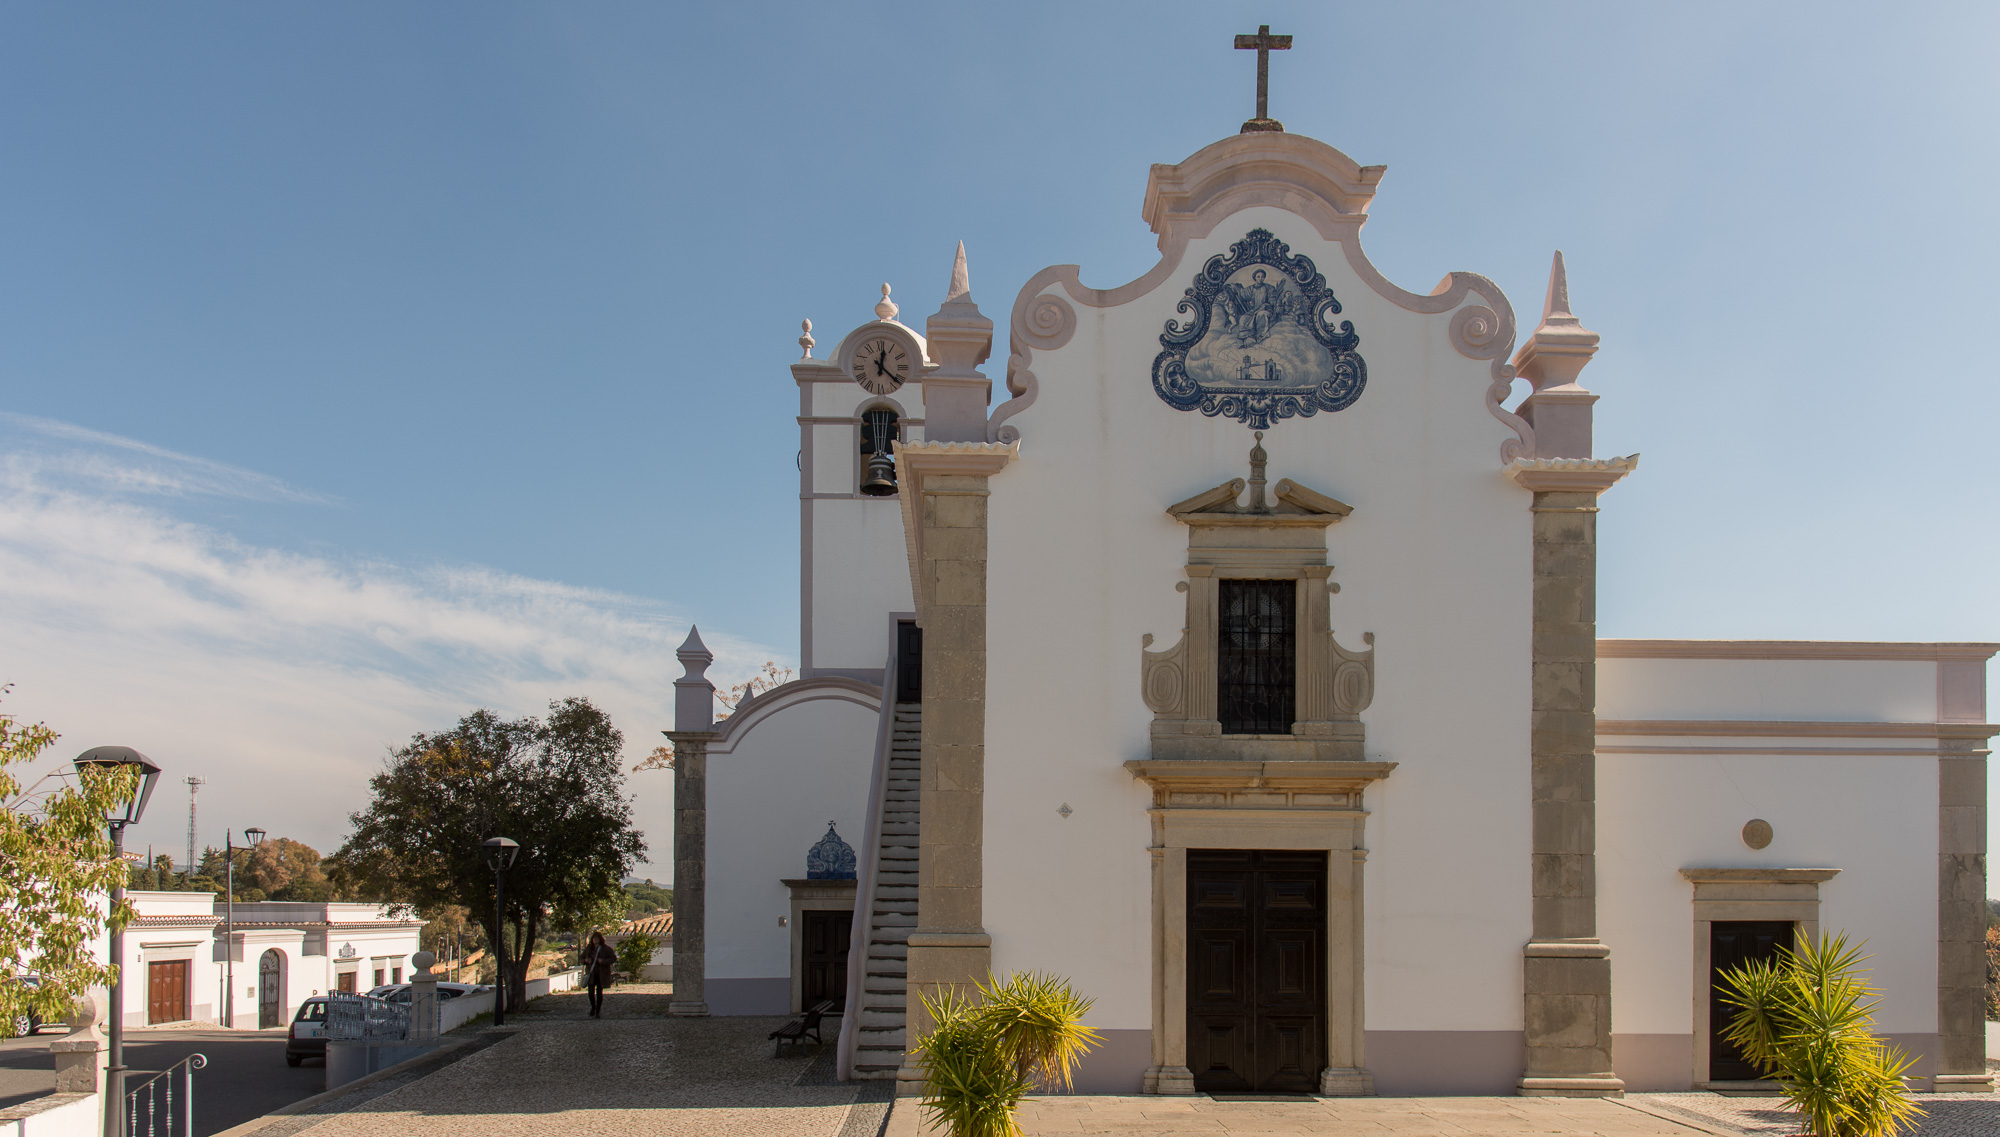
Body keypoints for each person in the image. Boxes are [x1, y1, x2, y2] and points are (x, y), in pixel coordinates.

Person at [580, 930, 616, 1018]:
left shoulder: (606, 949)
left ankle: (598, 1011)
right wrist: (585, 961)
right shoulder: (589, 948)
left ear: (600, 939)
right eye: (594, 938)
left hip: (601, 974)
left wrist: (603, 961)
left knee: (599, 993)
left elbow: (613, 958)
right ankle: (593, 1007)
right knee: (590, 993)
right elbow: (581, 957)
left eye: (597, 938)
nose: (595, 940)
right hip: (591, 974)